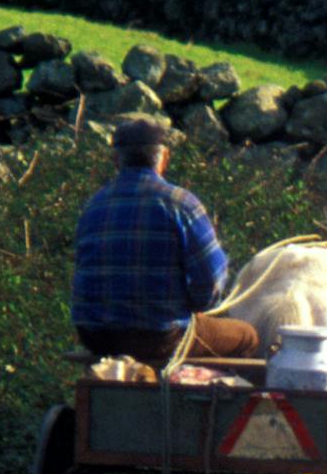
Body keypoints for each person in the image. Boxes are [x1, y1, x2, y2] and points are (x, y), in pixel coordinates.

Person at [73, 117, 258, 367]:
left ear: (116, 159)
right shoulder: (181, 203)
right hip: (158, 337)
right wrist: (198, 305)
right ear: (164, 158)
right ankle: (207, 399)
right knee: (246, 336)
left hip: (95, 336)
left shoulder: (93, 205)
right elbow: (211, 279)